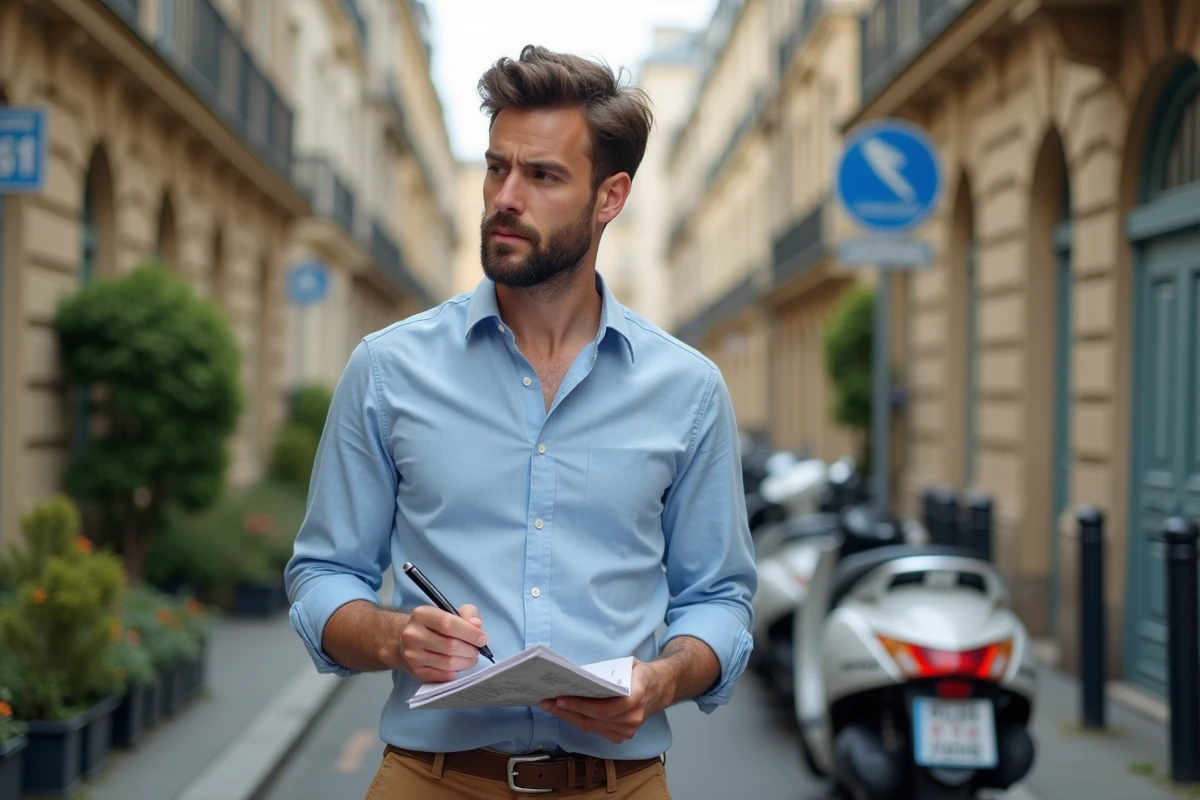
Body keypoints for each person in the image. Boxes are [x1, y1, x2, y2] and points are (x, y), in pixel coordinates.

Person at [284, 45, 757, 799]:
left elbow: (719, 599)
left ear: (610, 197)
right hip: (430, 779)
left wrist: (662, 679)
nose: (506, 196)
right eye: (497, 166)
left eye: (542, 176)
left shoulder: (688, 389)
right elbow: (322, 575)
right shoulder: (388, 367)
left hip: (620, 782)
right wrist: (395, 637)